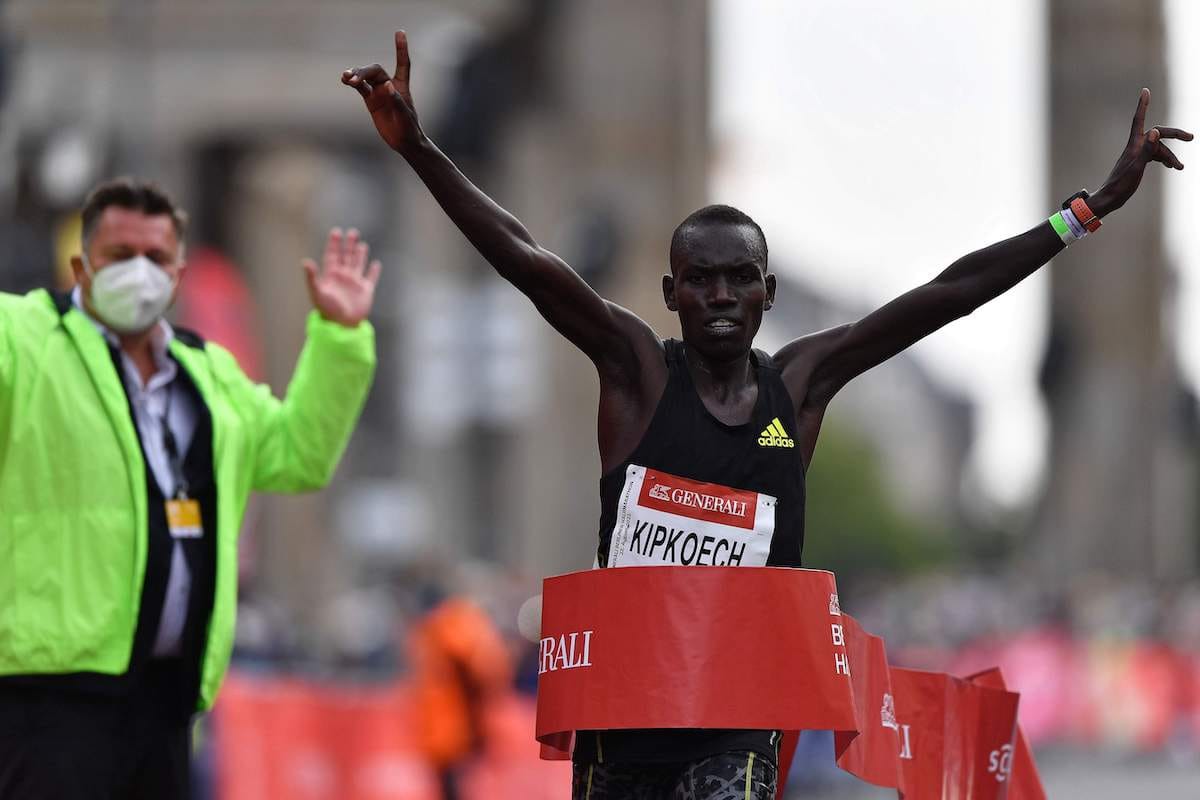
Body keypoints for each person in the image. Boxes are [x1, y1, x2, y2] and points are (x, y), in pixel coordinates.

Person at [342, 31, 1190, 800]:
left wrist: (1084, 212)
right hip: (625, 716)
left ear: (767, 293)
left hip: (739, 720)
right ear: (671, 293)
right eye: (701, 280)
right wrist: (418, 148)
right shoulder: (636, 372)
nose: (720, 295)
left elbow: (948, 295)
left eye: (739, 278)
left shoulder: (802, 385)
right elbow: (525, 259)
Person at [0, 178, 381, 799]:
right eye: (120, 255)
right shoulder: (24, 337)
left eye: (156, 257)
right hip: (49, 694)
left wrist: (339, 338)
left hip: (166, 699)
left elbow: (299, 455)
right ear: (81, 266)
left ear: (178, 274)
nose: (140, 272)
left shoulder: (208, 374)